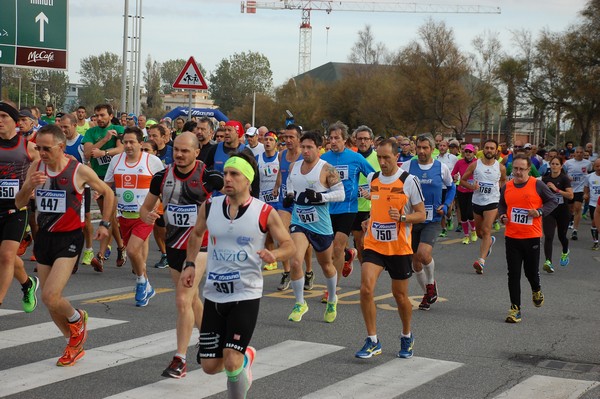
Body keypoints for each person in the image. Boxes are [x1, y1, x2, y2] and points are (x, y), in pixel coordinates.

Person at [182, 152, 294, 399]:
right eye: (225, 174)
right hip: (213, 294)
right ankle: (247, 356)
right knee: (210, 367)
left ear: (248, 180)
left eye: (234, 174)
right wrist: (190, 263)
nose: (227, 179)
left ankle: (239, 367)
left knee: (232, 362)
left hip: (246, 293)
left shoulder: (263, 212)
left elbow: (289, 244)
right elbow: (196, 234)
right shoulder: (210, 206)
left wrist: (275, 255)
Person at [15, 123, 115, 366]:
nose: (41, 153)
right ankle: (74, 341)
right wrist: (29, 187)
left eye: (47, 148)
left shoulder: (78, 170)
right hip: (44, 238)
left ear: (61, 147)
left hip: (69, 238)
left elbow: (108, 193)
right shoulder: (36, 167)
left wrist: (105, 224)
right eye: (38, 147)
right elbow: (18, 203)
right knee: (51, 305)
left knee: (50, 295)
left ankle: (77, 319)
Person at [141, 132, 223, 378]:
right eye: (176, 149)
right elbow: (146, 207)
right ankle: (210, 339)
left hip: (201, 247)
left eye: (185, 150)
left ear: (197, 152)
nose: (179, 154)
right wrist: (147, 215)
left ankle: (180, 359)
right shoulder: (161, 177)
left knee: (182, 300)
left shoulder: (209, 177)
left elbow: (238, 191)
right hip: (174, 246)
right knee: (191, 299)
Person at [356, 139, 425, 360]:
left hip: (399, 247)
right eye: (380, 158)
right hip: (375, 244)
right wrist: (369, 220)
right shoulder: (372, 178)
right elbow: (378, 206)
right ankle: (373, 340)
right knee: (366, 289)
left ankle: (407, 335)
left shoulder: (409, 180)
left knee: (400, 296)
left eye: (387, 157)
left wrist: (404, 217)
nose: (383, 162)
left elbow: (421, 214)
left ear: (397, 157)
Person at [285, 131, 345, 323]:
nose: (305, 151)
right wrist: (290, 194)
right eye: (303, 147)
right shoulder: (294, 166)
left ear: (319, 148)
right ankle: (300, 303)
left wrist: (322, 197)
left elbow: (341, 194)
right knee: (295, 260)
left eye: (309, 147)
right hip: (299, 220)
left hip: (320, 224)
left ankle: (332, 299)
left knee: (326, 265)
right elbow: (290, 182)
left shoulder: (327, 169)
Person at [105, 127, 165, 306]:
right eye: (126, 142)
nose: (129, 146)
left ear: (141, 143)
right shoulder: (116, 160)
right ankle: (146, 284)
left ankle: (141, 282)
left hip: (145, 215)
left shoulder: (152, 161)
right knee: (134, 255)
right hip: (124, 215)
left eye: (132, 142)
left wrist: (156, 205)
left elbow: (163, 187)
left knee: (130, 250)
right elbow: (107, 185)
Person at [498, 155, 558, 323]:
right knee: (513, 274)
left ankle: (536, 289)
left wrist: (539, 212)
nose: (517, 172)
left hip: (531, 237)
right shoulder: (507, 186)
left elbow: (552, 201)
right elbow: (502, 204)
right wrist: (502, 215)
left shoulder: (537, 184)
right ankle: (515, 309)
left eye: (521, 169)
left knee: (530, 272)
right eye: (515, 168)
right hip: (512, 236)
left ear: (528, 169)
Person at [321, 121, 376, 301]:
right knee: (327, 251)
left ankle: (333, 289)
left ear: (345, 140)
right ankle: (348, 254)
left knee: (337, 247)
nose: (334, 141)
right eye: (331, 138)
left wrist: (372, 192)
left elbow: (374, 178)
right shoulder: (324, 159)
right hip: (327, 208)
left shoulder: (355, 158)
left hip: (348, 207)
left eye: (337, 138)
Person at [401, 134, 455, 310]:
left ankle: (430, 283)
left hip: (432, 218)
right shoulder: (408, 166)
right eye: (419, 148)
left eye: (425, 148)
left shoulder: (441, 167)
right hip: (412, 218)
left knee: (423, 254)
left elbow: (452, 187)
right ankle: (427, 293)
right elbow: (397, 186)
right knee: (414, 261)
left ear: (432, 149)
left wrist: (446, 205)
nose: (422, 151)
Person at [0, 101, 40, 312]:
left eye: (4, 116)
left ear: (15, 122)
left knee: (6, 255)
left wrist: (35, 187)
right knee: (7, 256)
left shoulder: (28, 146)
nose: (0, 120)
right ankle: (28, 284)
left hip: (17, 208)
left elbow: (49, 166)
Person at [83, 104, 126, 270]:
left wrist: (104, 153)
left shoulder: (118, 128)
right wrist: (105, 140)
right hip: (98, 178)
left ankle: (100, 256)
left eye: (102, 115)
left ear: (110, 115)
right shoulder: (91, 132)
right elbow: (87, 153)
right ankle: (121, 247)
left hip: (115, 177)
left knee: (107, 217)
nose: (99, 118)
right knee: (108, 216)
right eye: (96, 115)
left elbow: (122, 149)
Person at [272, 124, 313, 291]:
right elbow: (280, 174)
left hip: (302, 203)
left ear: (299, 138)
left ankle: (309, 271)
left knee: (305, 240)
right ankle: (287, 271)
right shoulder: (281, 154)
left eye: (291, 137)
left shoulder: (305, 157)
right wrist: (276, 186)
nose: (287, 140)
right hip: (285, 202)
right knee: (282, 236)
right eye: (285, 137)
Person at [459, 139, 506, 274]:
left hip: (492, 202)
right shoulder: (475, 165)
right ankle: (490, 241)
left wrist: (503, 196)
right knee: (480, 233)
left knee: (486, 229)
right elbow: (462, 180)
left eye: (492, 148)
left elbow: (504, 181)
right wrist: (471, 186)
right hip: (477, 201)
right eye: (487, 148)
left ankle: (481, 261)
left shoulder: (500, 167)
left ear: (496, 151)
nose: (489, 150)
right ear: (482, 150)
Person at [60, 114, 95, 269]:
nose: (63, 130)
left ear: (74, 125)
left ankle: (88, 249)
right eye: (61, 127)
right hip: (63, 187)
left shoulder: (82, 142)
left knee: (85, 220)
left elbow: (89, 167)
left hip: (82, 187)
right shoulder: (59, 142)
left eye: (66, 127)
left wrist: (75, 164)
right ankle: (65, 253)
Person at [352, 126, 381, 263]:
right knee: (359, 244)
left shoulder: (379, 158)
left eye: (366, 139)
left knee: (365, 243)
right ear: (355, 141)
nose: (363, 142)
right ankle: (364, 272)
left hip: (372, 206)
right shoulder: (350, 158)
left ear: (372, 141)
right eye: (360, 139)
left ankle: (369, 275)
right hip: (354, 206)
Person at [541, 156, 573, 272]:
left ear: (561, 166)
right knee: (549, 236)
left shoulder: (564, 179)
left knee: (561, 236)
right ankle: (548, 262)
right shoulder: (545, 180)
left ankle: (565, 251)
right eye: (552, 164)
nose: (554, 166)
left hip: (562, 211)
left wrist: (556, 190)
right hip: (549, 211)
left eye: (556, 164)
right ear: (550, 165)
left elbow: (571, 195)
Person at [256, 131, 281, 271]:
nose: (267, 142)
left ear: (275, 143)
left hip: (278, 200)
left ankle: (281, 255)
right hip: (263, 199)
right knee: (266, 232)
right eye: (266, 139)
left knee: (279, 231)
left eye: (271, 140)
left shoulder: (280, 157)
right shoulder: (258, 158)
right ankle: (272, 260)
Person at [563, 146, 592, 240]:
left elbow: (591, 174)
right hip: (570, 189)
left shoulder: (587, 163)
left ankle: (575, 230)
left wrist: (588, 189)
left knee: (578, 208)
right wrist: (567, 178)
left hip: (580, 189)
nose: (579, 154)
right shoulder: (568, 163)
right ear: (574, 153)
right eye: (577, 152)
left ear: (583, 154)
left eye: (581, 152)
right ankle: (570, 219)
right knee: (570, 209)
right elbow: (563, 173)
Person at [451, 144, 477, 244]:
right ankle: (466, 236)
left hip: (473, 191)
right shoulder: (460, 162)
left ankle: (473, 230)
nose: (468, 153)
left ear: (473, 152)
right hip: (462, 190)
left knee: (470, 213)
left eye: (470, 152)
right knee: (463, 215)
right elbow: (453, 173)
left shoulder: (477, 162)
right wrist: (455, 177)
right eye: (466, 151)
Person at [583, 158, 600, 250]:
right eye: (597, 166)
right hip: (593, 203)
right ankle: (596, 241)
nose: (599, 168)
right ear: (593, 166)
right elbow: (586, 187)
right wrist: (585, 194)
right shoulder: (589, 177)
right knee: (594, 223)